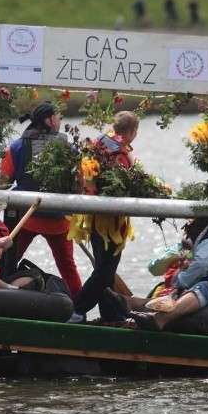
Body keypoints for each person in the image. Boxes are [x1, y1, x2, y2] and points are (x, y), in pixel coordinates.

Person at [106, 218, 208, 331]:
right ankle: (132, 303)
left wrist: (185, 255)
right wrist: (184, 255)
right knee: (176, 293)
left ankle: (159, 320)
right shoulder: (198, 245)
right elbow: (172, 273)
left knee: (203, 288)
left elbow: (198, 267)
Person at [0, 101, 83, 297]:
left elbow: (2, 183)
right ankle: (79, 309)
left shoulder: (16, 146)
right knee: (68, 267)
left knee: (7, 261)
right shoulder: (69, 148)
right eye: (60, 118)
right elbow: (80, 183)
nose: (60, 122)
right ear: (51, 119)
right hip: (58, 221)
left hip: (26, 218)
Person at [68, 111, 140, 323]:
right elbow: (123, 185)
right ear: (132, 131)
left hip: (93, 216)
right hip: (110, 220)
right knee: (104, 272)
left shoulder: (98, 142)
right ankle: (75, 310)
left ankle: (111, 315)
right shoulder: (119, 154)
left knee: (105, 269)